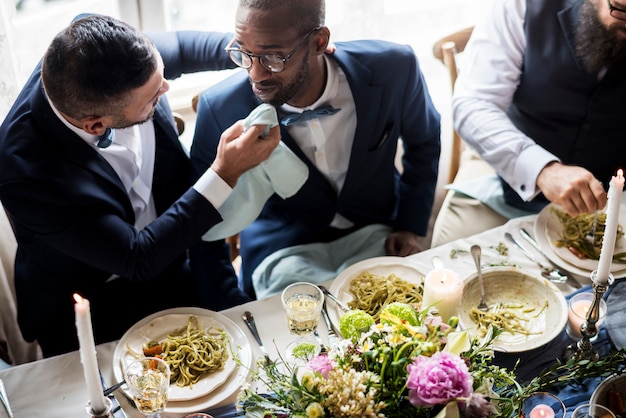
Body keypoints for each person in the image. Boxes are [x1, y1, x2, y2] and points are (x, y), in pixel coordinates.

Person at [0, 14, 280, 357]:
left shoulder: (109, 55)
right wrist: (225, 173)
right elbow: (137, 256)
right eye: (152, 97)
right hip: (86, 306)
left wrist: (256, 57)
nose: (166, 89)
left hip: (173, 267)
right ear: (96, 125)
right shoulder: (23, 171)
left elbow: (178, 47)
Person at [190, 0, 441, 299]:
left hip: (376, 233)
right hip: (282, 252)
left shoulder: (395, 68)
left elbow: (424, 143)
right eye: (243, 51)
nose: (255, 74)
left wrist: (410, 227)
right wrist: (230, 305)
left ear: (319, 42)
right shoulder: (219, 109)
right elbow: (201, 220)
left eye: (272, 57)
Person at [433, 0, 625, 246]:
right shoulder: (521, 6)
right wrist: (543, 170)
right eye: (622, 9)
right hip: (505, 169)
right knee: (451, 263)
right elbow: (473, 105)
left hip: (612, 201)